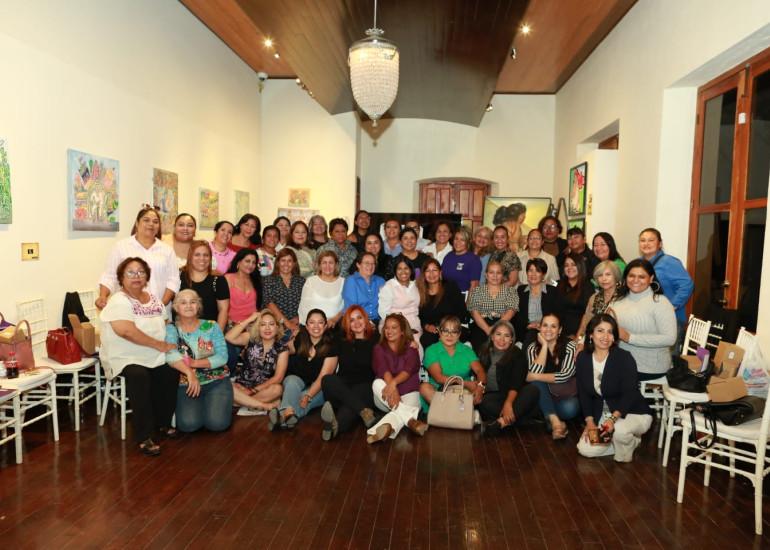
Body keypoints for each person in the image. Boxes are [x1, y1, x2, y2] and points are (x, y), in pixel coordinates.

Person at [99, 257, 180, 456]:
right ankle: (144, 436)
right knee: (139, 376)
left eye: (141, 272)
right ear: (121, 277)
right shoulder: (118, 301)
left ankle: (162, 422)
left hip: (152, 353)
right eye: (130, 272)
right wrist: (159, 345)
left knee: (170, 372)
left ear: (147, 277)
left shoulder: (153, 298)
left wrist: (172, 344)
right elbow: (127, 331)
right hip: (126, 356)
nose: (136, 276)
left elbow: (166, 323)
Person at [576, 314, 653, 462]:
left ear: (614, 337)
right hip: (604, 415)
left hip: (633, 412)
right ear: (591, 334)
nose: (605, 336)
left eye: (610, 332)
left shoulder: (624, 358)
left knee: (620, 431)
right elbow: (583, 393)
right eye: (600, 331)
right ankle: (620, 441)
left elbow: (630, 393)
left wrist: (613, 419)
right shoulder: (583, 358)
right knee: (585, 449)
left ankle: (630, 442)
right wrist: (590, 422)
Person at [166, 289, 232, 432]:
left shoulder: (211, 326)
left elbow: (222, 357)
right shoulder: (171, 329)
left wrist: (194, 363)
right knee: (188, 425)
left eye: (193, 302)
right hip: (187, 384)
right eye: (183, 303)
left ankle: (215, 404)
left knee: (217, 424)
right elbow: (170, 355)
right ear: (176, 307)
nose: (188, 306)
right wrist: (190, 372)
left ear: (198, 306)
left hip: (216, 381)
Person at [97, 206, 180, 309]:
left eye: (155, 222)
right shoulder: (121, 247)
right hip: (128, 309)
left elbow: (173, 281)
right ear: (137, 223)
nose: (151, 224)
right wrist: (103, 296)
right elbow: (110, 276)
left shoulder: (167, 250)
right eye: (146, 220)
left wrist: (161, 305)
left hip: (160, 310)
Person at [269, 309, 338, 430]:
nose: (316, 326)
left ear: (325, 326)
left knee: (301, 398)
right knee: (291, 380)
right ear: (306, 326)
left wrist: (308, 395)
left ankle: (281, 417)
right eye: (312, 322)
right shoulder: (301, 338)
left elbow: (323, 377)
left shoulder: (332, 345)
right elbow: (285, 349)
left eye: (320, 322)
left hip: (319, 387)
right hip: (298, 382)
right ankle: (288, 416)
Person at [610, 259, 677, 381]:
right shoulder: (618, 300)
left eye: (641, 277)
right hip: (621, 361)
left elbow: (670, 339)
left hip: (650, 368)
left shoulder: (661, 302)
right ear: (626, 277)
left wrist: (630, 338)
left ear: (651, 279)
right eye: (631, 276)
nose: (635, 280)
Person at [319, 306, 378, 440]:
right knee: (327, 379)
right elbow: (326, 336)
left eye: (359, 318)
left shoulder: (376, 339)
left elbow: (394, 345)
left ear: (365, 320)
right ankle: (364, 411)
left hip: (364, 388)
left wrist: (411, 343)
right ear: (348, 325)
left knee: (347, 412)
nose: (356, 323)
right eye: (351, 320)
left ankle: (333, 427)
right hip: (343, 388)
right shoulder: (341, 340)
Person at [367, 313, 427, 443]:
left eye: (394, 327)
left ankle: (382, 430)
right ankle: (411, 421)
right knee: (377, 383)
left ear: (402, 331)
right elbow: (383, 370)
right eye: (387, 328)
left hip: (409, 393)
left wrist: (393, 383)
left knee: (402, 412)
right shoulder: (379, 348)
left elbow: (408, 371)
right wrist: (393, 389)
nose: (389, 331)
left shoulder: (411, 347)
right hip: (385, 397)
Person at [477, 320, 539, 437]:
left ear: (511, 339)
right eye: (498, 334)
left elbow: (516, 383)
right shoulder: (484, 351)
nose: (502, 339)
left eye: (507, 336)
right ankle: (520, 419)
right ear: (492, 336)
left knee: (532, 390)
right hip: (497, 397)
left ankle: (502, 422)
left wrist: (508, 404)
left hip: (515, 396)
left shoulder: (518, 354)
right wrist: (479, 388)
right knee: (484, 402)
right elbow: (480, 375)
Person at [638, 228, 694, 350]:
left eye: (651, 240)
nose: (646, 244)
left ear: (660, 244)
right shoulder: (637, 263)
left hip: (670, 321)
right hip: (647, 319)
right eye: (642, 240)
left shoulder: (669, 262)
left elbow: (687, 285)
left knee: (667, 358)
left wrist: (672, 306)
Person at [526, 313, 579, 439]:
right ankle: (556, 422)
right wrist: (544, 346)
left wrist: (536, 376)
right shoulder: (532, 348)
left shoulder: (570, 346)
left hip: (563, 396)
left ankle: (548, 415)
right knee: (536, 384)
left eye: (553, 326)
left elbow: (565, 375)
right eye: (545, 325)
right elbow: (534, 372)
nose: (548, 330)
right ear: (539, 328)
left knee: (571, 408)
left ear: (559, 330)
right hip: (542, 394)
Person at [225, 309, 289, 414]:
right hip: (241, 386)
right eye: (263, 324)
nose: (267, 328)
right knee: (226, 385)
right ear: (258, 328)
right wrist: (249, 319)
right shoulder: (250, 338)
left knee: (278, 389)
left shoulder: (282, 348)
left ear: (277, 327)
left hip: (263, 389)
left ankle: (240, 403)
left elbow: (278, 378)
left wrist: (253, 390)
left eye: (271, 324)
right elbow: (228, 337)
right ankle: (263, 405)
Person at [420, 315, 486, 414]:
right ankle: (455, 414)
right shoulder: (432, 350)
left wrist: (480, 387)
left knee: (479, 391)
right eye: (445, 331)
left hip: (462, 391)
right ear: (439, 332)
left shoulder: (466, 350)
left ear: (459, 334)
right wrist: (465, 383)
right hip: (440, 391)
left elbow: (480, 371)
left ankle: (449, 415)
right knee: (424, 388)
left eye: (454, 331)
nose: (449, 335)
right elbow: (439, 378)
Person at [224, 249, 262, 372]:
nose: (250, 265)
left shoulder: (256, 281)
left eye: (253, 262)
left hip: (252, 325)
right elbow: (221, 306)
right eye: (247, 261)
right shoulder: (228, 278)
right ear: (238, 262)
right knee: (231, 353)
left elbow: (258, 306)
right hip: (232, 325)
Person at [467, 261, 518, 351]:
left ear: (502, 275)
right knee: (480, 346)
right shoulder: (477, 291)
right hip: (481, 325)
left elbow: (510, 313)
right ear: (486, 275)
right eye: (491, 272)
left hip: (503, 324)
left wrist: (495, 329)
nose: (495, 276)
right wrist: (488, 330)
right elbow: (475, 313)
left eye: (498, 273)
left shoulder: (511, 291)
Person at [417, 258, 467, 349]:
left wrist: (446, 328)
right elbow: (420, 316)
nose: (431, 274)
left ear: (440, 272)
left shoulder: (450, 286)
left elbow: (462, 311)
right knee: (426, 340)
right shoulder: (420, 292)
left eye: (434, 270)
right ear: (423, 274)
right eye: (428, 271)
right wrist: (427, 326)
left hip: (452, 328)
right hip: (433, 331)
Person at [179, 240, 230, 330]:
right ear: (190, 257)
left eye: (206, 255)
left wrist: (217, 335)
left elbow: (223, 310)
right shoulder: (179, 276)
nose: (202, 258)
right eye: (197, 255)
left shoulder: (218, 280)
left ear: (210, 258)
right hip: (180, 331)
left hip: (208, 332)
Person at [514, 258, 564, 347]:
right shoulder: (520, 290)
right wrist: (528, 325)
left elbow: (558, 314)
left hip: (547, 331)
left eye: (538, 271)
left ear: (543, 275)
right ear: (526, 273)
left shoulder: (552, 291)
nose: (533, 274)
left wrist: (541, 325)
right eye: (530, 270)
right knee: (530, 335)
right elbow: (517, 317)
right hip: (525, 330)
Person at [576, 260, 622, 345]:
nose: (604, 279)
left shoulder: (623, 296)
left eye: (608, 274)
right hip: (595, 343)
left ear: (616, 276)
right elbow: (584, 325)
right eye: (600, 275)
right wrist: (579, 341)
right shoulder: (594, 298)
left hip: (618, 344)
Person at [298, 250, 345, 328]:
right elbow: (304, 308)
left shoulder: (344, 282)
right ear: (319, 265)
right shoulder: (311, 281)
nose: (327, 266)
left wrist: (334, 319)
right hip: (313, 328)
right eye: (324, 263)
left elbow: (346, 306)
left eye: (331, 263)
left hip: (334, 326)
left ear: (336, 265)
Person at [263, 248, 305, 334]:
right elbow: (269, 303)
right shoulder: (269, 280)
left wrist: (298, 318)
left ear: (294, 263)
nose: (286, 264)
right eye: (283, 260)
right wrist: (286, 323)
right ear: (278, 263)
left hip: (297, 323)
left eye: (289, 261)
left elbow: (306, 302)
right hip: (275, 325)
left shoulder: (301, 281)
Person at [378, 259, 422, 339]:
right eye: (399, 269)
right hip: (393, 326)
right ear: (395, 271)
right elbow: (383, 312)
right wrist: (403, 329)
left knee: (416, 344)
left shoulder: (415, 285)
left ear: (411, 270)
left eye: (406, 268)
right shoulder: (389, 286)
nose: (403, 272)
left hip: (414, 325)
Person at [556, 253, 594, 339]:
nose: (569, 268)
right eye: (566, 265)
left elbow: (588, 316)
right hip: (558, 332)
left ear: (580, 266)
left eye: (573, 265)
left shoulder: (588, 287)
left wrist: (578, 337)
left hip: (580, 334)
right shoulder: (559, 285)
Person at [343, 252, 386, 323]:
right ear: (358, 265)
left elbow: (386, 304)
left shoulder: (380, 281)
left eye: (373, 263)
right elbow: (352, 308)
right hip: (357, 321)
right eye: (367, 263)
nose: (370, 266)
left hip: (378, 321)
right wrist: (367, 323)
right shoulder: (351, 280)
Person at [442, 227, 482, 293]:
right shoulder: (449, 256)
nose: (458, 242)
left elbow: (474, 285)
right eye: (456, 239)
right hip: (446, 295)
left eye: (462, 240)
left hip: (463, 296)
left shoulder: (473, 259)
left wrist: (468, 300)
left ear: (468, 242)